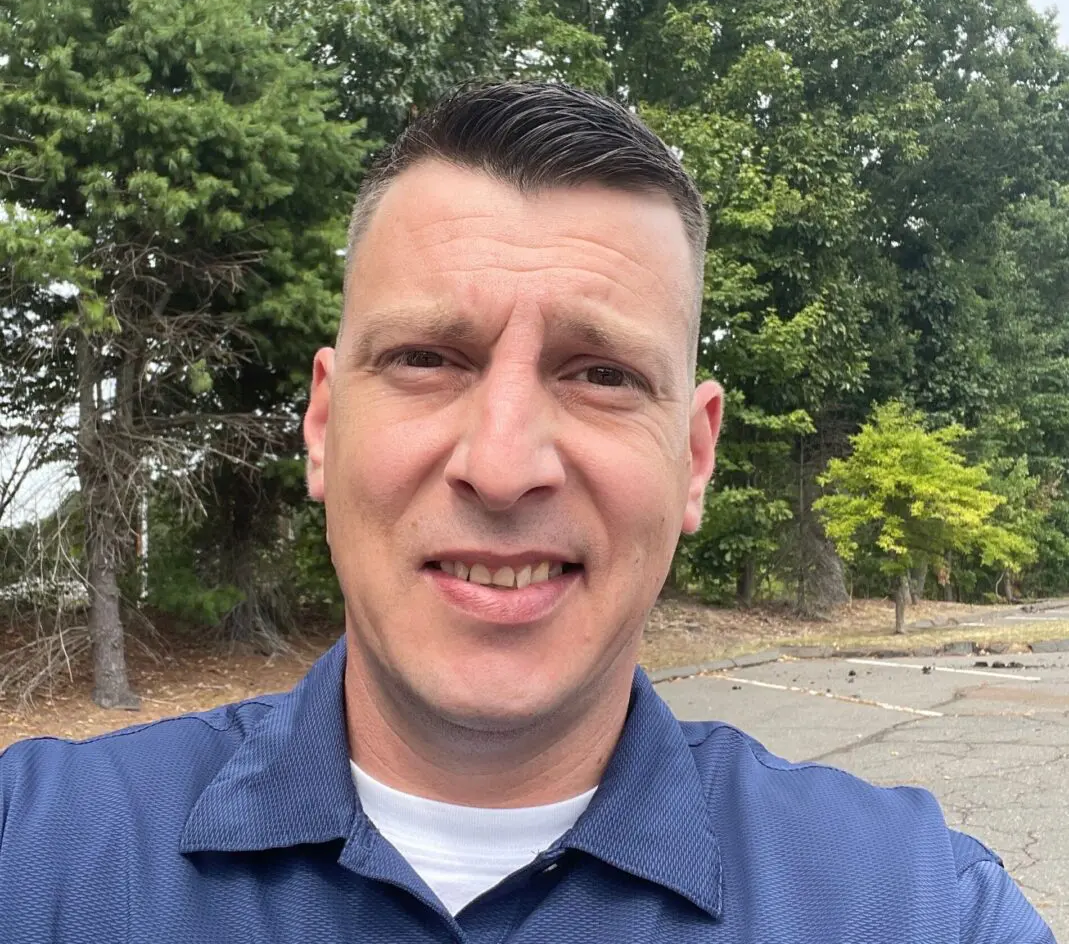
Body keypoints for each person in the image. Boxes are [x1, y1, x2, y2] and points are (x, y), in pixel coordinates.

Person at [0, 82, 1054, 944]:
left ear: (693, 457)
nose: (502, 468)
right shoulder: (36, 859)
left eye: (598, 373)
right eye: (425, 359)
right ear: (323, 427)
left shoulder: (915, 909)